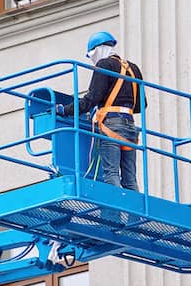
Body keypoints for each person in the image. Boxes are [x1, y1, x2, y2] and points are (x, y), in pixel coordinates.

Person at [57, 31, 145, 190]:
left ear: (97, 50)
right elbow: (141, 105)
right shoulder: (133, 69)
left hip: (111, 125)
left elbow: (92, 99)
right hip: (130, 127)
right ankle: (134, 215)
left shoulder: (104, 65)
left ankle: (114, 214)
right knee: (130, 178)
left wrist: (65, 110)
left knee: (111, 173)